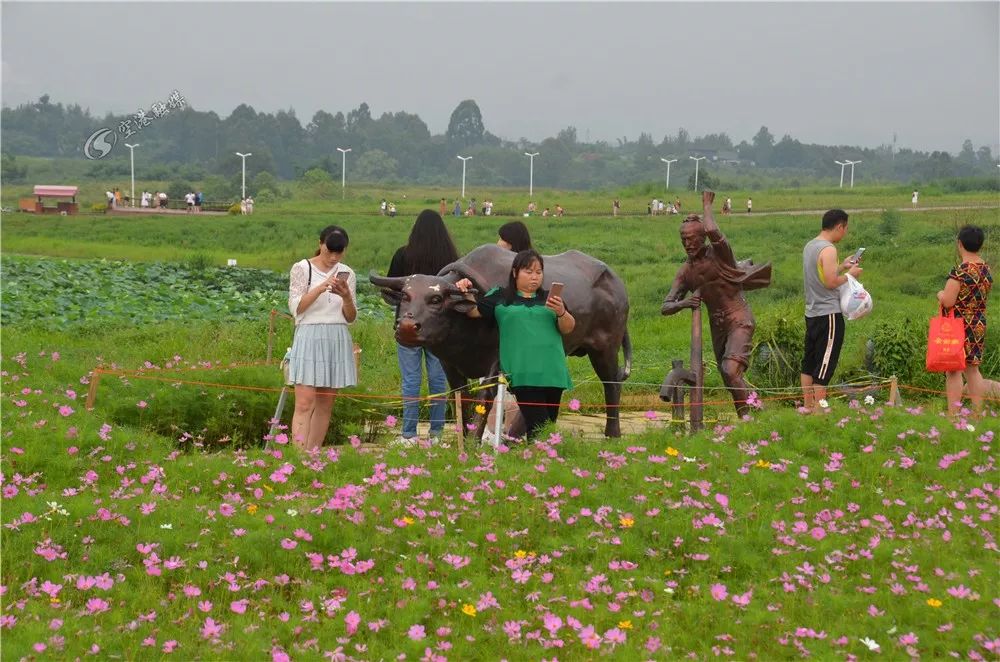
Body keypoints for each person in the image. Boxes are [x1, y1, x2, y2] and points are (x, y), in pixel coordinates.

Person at [661, 190, 772, 416]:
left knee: (730, 370)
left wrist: (707, 206)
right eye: (684, 240)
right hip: (717, 326)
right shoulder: (686, 271)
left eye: (692, 239)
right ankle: (757, 410)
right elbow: (666, 306)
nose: (688, 244)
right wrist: (685, 303)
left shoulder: (721, 255)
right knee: (728, 376)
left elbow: (712, 230)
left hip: (738, 318)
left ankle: (748, 419)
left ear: (702, 238)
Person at [454, 249, 575, 440]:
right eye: (529, 271)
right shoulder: (500, 296)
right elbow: (473, 312)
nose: (535, 277)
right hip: (523, 372)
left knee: (546, 427)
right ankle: (544, 461)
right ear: (515, 272)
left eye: (538, 272)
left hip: (553, 371)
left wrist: (561, 312)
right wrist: (465, 289)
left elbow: (568, 327)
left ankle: (541, 462)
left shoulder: (550, 299)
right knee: (540, 427)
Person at [387, 210, 460, 445]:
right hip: (438, 331)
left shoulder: (403, 255)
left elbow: (389, 293)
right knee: (438, 379)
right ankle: (436, 434)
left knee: (411, 380)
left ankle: (408, 435)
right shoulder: (451, 259)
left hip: (407, 328)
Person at [286, 225, 358, 450]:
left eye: (339, 253)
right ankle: (298, 456)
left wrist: (346, 296)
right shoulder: (302, 268)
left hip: (336, 336)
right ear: (320, 245)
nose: (333, 258)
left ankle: (313, 453)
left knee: (326, 403)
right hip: (309, 335)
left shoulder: (348, 273)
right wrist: (320, 287)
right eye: (329, 252)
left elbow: (350, 317)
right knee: (305, 402)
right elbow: (296, 308)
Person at [799, 209, 863, 412]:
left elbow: (821, 274)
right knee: (824, 364)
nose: (844, 233)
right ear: (839, 227)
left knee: (809, 362)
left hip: (812, 312)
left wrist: (843, 266)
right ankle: (819, 410)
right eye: (845, 229)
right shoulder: (829, 249)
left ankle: (808, 407)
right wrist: (851, 275)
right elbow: (830, 282)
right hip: (829, 315)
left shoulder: (811, 246)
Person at [936, 225, 992, 416]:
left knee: (954, 370)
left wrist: (940, 294)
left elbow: (949, 301)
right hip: (978, 323)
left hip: (958, 326)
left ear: (960, 244)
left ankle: (953, 414)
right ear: (980, 245)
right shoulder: (985, 269)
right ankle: (977, 413)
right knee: (973, 370)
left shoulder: (960, 272)